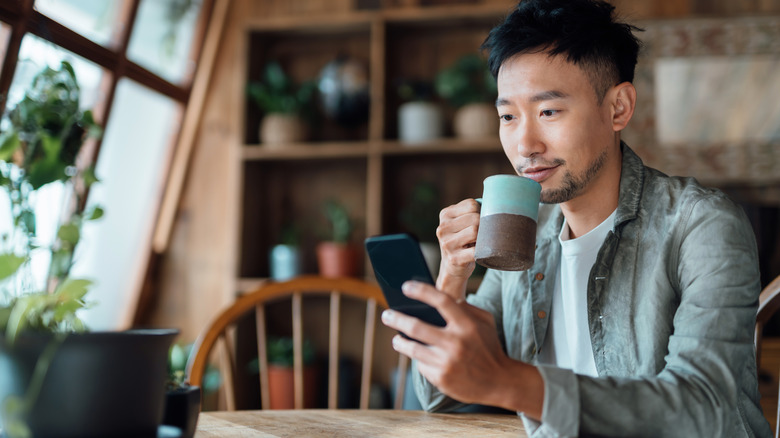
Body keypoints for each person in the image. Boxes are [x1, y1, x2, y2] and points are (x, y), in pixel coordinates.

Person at [379, 0, 773, 436]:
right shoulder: (524, 231)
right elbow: (440, 397)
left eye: (548, 111)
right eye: (508, 116)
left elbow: (703, 408)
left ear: (618, 108)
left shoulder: (702, 225)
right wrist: (453, 276)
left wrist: (511, 383)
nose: (525, 143)